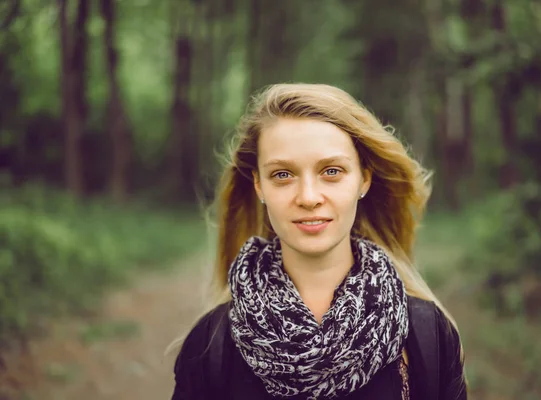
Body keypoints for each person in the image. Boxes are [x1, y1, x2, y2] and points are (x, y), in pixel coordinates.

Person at [170, 83, 467, 400]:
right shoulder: (210, 347)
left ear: (363, 179)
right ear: (259, 185)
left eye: (331, 171)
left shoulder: (427, 336)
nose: (309, 197)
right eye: (283, 174)